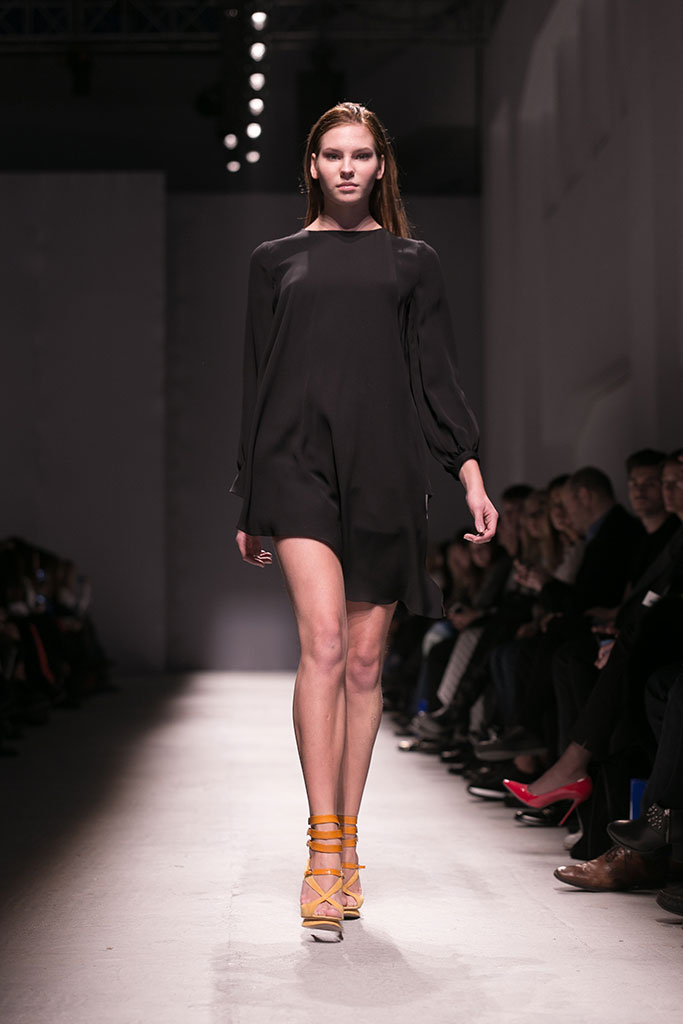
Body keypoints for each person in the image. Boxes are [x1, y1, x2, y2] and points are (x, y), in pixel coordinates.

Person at [231, 102, 497, 940]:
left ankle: (347, 841)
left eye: (360, 155)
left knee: (365, 662)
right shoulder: (273, 261)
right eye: (332, 155)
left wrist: (467, 469)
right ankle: (320, 854)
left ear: (380, 167)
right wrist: (249, 491)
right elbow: (256, 378)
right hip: (295, 464)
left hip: (384, 467)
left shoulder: (413, 263)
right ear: (312, 166)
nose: (346, 168)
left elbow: (434, 375)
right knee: (322, 644)